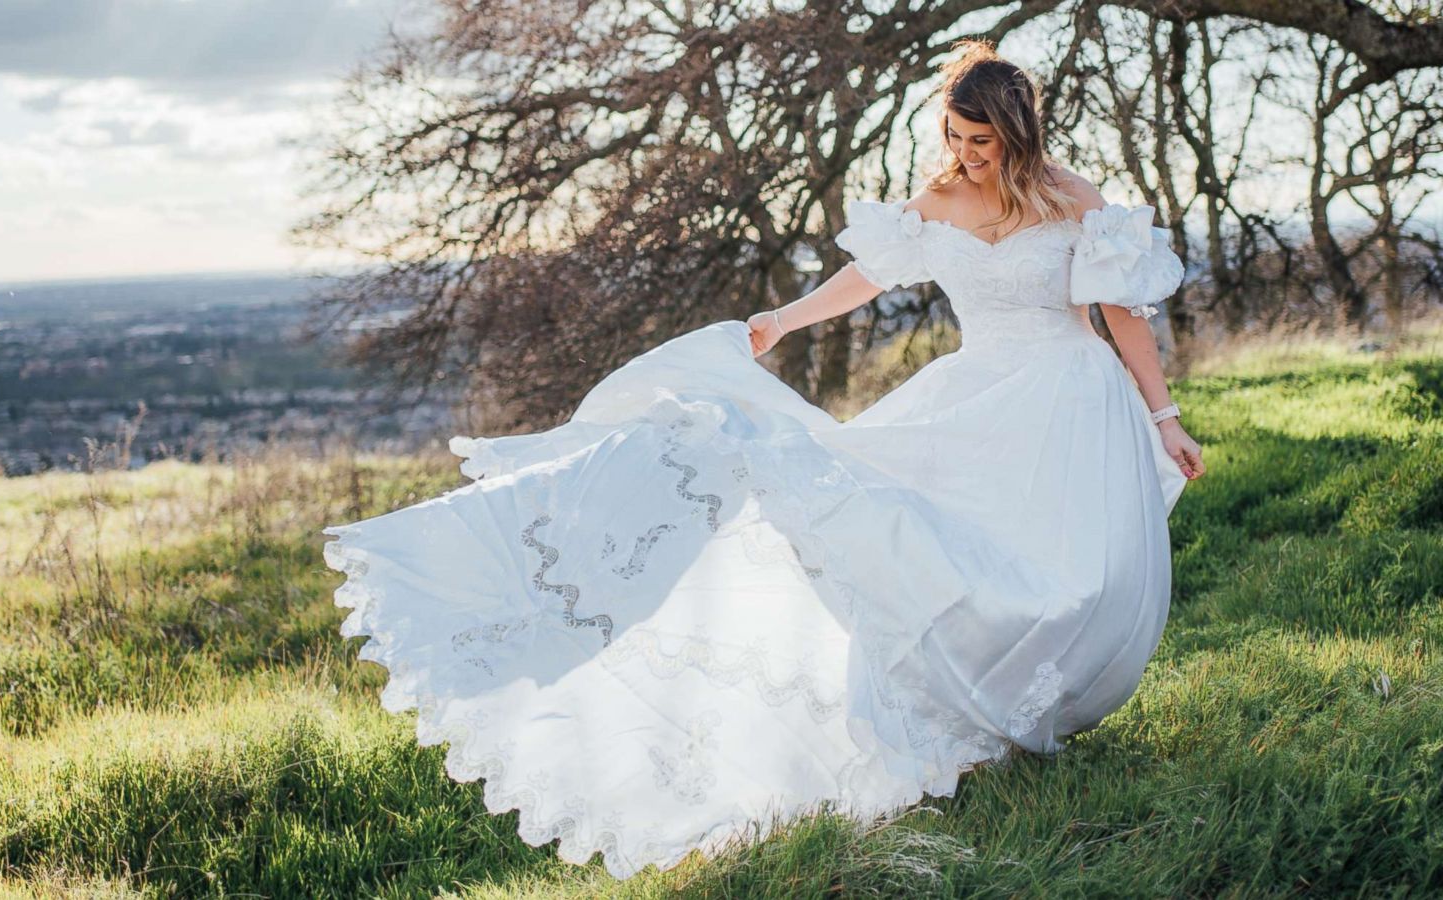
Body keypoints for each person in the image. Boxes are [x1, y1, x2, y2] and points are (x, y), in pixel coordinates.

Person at [322, 39, 1205, 882]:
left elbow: (1123, 316)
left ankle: (1042, 700)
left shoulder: (1074, 200)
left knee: (1077, 573)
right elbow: (865, 280)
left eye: (983, 143)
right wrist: (782, 322)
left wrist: (1162, 415)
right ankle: (967, 712)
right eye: (957, 139)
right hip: (974, 392)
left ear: (1020, 135)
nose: (968, 156)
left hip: (1068, 397)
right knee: (910, 535)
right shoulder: (935, 205)